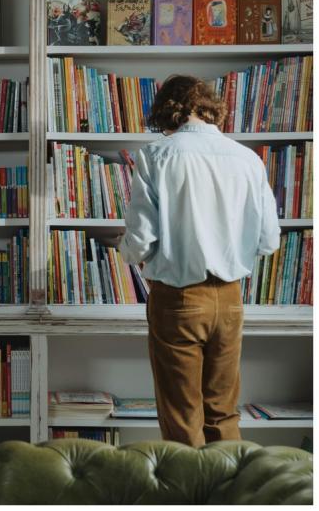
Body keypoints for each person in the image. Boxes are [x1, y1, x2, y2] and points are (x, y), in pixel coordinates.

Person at [119, 75, 280, 448]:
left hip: (177, 299)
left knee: (181, 415)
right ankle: (226, 499)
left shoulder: (156, 156)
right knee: (223, 410)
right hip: (230, 299)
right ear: (209, 108)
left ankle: (187, 501)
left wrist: (128, 252)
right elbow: (269, 240)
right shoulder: (247, 159)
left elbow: (141, 240)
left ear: (166, 112)